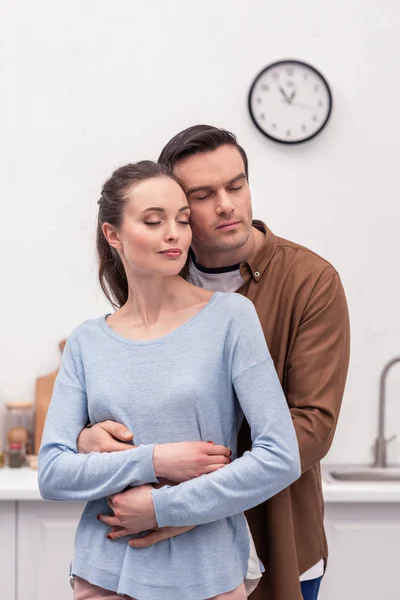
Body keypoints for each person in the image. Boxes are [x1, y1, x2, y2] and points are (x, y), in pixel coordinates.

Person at [78, 126, 351, 600]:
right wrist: (85, 435)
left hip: (275, 541)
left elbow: (311, 426)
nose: (226, 204)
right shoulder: (155, 271)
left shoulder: (312, 282)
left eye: (236, 185)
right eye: (203, 195)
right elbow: (128, 388)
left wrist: (185, 505)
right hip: (163, 556)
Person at [38, 160, 301, 600]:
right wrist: (154, 461)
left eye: (181, 219)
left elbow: (280, 458)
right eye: (153, 221)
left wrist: (161, 507)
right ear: (113, 235)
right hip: (103, 572)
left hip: (208, 573)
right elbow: (53, 473)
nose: (174, 233)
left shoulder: (231, 320)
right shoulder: (88, 341)